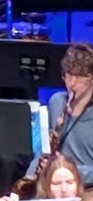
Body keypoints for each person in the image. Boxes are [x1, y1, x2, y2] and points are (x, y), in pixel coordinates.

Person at [40, 43, 93, 185]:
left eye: (79, 77)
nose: (71, 83)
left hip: (87, 189)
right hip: (55, 186)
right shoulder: (57, 102)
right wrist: (28, 178)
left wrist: (68, 170)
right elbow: (44, 150)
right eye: (68, 76)